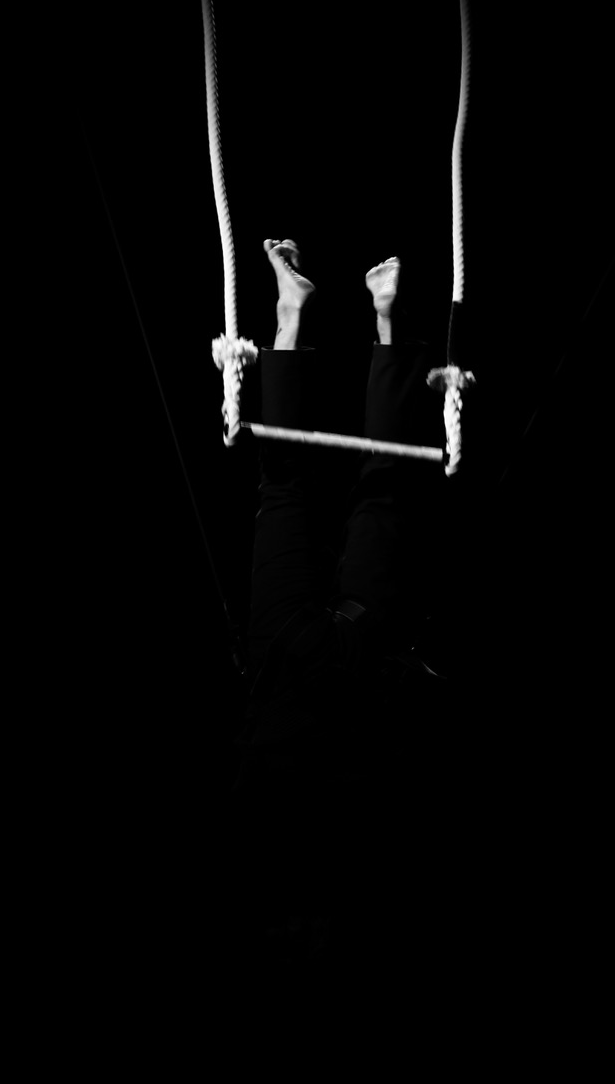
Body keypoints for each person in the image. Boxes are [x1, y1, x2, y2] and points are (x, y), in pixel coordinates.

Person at [229, 238, 447, 962]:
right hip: (341, 668)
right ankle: (372, 317)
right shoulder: (357, 894)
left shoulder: (276, 886)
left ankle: (301, 315)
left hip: (304, 663)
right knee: (360, 492)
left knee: (325, 490)